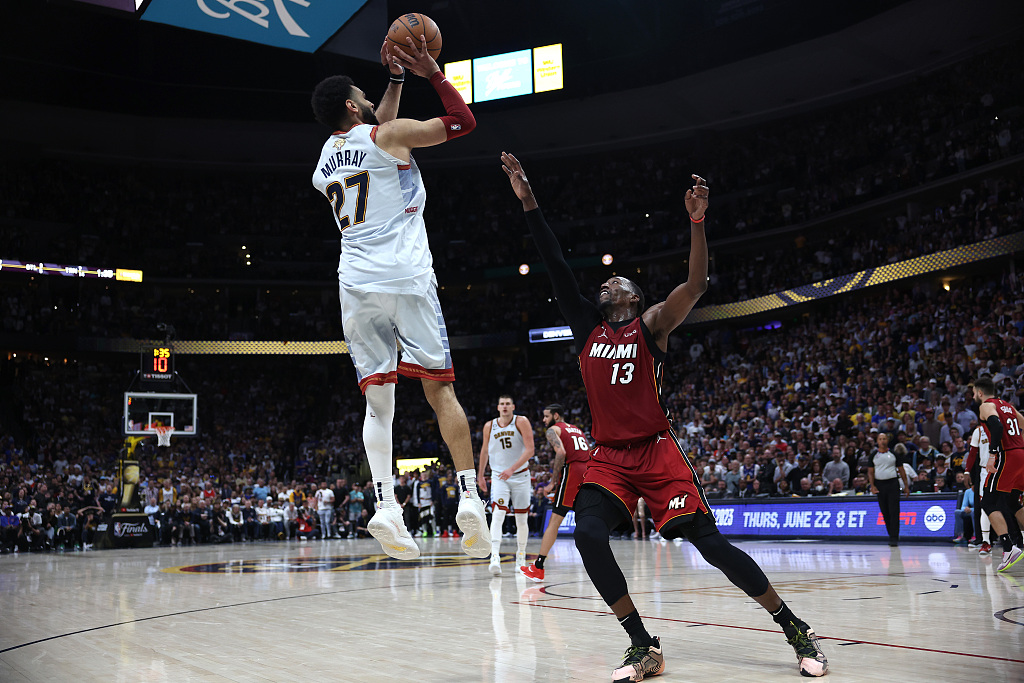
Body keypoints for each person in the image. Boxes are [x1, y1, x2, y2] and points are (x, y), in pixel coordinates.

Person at [501, 152, 828, 680]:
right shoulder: (588, 327)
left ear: (636, 298)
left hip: (656, 451)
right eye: (606, 284)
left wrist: (697, 221)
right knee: (586, 536)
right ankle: (642, 643)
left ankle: (793, 626)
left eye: (620, 283)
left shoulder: (652, 326)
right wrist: (529, 202)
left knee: (713, 547)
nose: (610, 285)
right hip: (609, 458)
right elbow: (557, 266)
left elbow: (696, 284)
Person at [309, 35, 490, 560]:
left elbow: (374, 126)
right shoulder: (387, 136)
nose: (372, 101)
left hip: (355, 283)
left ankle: (386, 504)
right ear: (351, 104)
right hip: (407, 277)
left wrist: (393, 79)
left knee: (378, 401)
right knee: (440, 390)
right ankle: (470, 498)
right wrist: (431, 71)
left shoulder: (325, 158)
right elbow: (461, 122)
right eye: (363, 95)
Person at [521, 404, 591, 582]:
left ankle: (538, 567)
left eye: (546, 416)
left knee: (555, 520)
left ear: (556, 415)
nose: (543, 420)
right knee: (586, 517)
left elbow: (561, 452)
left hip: (573, 470)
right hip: (588, 470)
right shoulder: (577, 429)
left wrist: (553, 481)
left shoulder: (553, 430)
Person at [477, 395, 535, 575]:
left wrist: (512, 468)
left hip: (520, 476)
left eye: (508, 404)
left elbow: (530, 449)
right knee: (498, 514)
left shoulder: (521, 421)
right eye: (501, 404)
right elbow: (485, 451)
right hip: (499, 477)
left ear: (513, 407)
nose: (504, 406)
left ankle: (521, 558)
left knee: (521, 519)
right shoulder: (489, 425)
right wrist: (480, 474)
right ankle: (494, 556)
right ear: (497, 407)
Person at [972, 377, 1024, 571]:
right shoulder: (1008, 406)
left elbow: (997, 426)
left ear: (979, 392)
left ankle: (1009, 548)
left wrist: (993, 454)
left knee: (988, 502)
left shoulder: (986, 406)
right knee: (1012, 502)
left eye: (974, 393)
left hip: (1007, 456)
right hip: (1020, 454)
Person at [868, 433, 910, 546]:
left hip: (892, 484)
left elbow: (901, 471)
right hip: (880, 485)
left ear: (887, 440)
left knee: (894, 511)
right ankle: (890, 533)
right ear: (877, 441)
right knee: (884, 511)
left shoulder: (894, 454)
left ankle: (894, 537)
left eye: (884, 439)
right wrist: (872, 485)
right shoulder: (873, 455)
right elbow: (870, 472)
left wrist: (906, 486)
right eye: (880, 439)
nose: (882, 441)